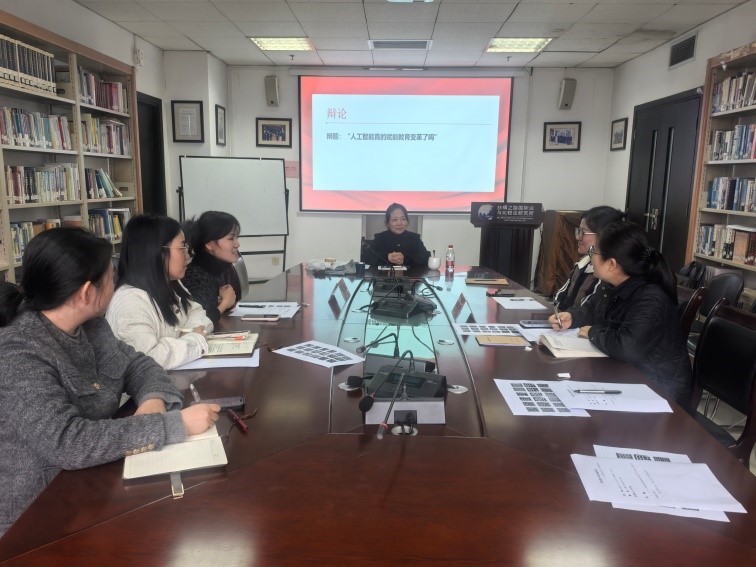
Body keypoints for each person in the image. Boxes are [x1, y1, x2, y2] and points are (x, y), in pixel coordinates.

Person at [0, 228, 219, 536]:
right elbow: (67, 443)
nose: (116, 286)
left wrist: (153, 400)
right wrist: (174, 425)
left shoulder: (93, 327)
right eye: (111, 278)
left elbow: (140, 365)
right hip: (38, 516)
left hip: (93, 484)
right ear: (87, 293)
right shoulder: (19, 352)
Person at [548, 222, 693, 407]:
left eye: (594, 252)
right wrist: (572, 317)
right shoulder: (612, 285)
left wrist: (593, 332)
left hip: (659, 391)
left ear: (612, 264)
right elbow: (591, 310)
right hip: (626, 373)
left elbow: (627, 346)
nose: (590, 257)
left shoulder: (651, 298)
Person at [106, 214, 214, 370]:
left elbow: (198, 313)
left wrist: (188, 336)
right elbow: (149, 360)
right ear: (156, 252)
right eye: (182, 248)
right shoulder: (130, 301)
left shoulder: (171, 283)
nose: (188, 255)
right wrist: (194, 340)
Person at [553, 206, 625, 310]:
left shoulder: (608, 272)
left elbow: (589, 310)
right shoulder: (583, 262)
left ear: (604, 236)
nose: (578, 237)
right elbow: (560, 297)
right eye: (578, 231)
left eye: (583, 232)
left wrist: (569, 315)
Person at [182, 211, 242, 325]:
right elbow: (199, 323)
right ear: (209, 244)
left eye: (236, 237)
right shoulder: (195, 276)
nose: (237, 244)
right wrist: (225, 303)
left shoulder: (221, 267)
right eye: (231, 239)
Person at [364, 203, 430, 267]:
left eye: (403, 219)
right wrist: (387, 257)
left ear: (407, 221)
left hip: (410, 274)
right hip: (385, 274)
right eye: (395, 220)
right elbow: (366, 257)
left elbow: (426, 257)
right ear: (387, 223)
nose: (399, 223)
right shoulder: (380, 238)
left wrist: (405, 259)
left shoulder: (414, 238)